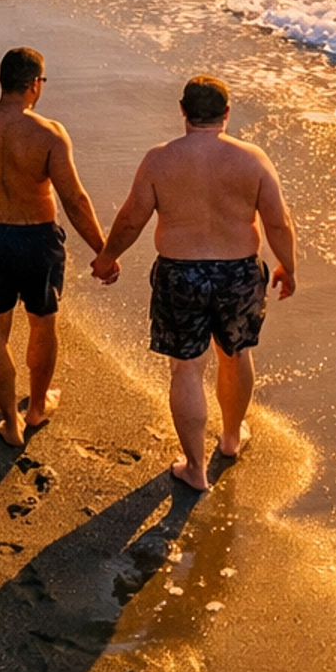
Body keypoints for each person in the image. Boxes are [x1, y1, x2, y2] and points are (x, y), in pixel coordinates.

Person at [92, 74, 296, 492]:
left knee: (186, 368)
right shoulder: (252, 159)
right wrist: (287, 266)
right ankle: (232, 438)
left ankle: (195, 469)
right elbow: (278, 220)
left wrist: (107, 258)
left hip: (180, 271)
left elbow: (132, 218)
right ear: (227, 112)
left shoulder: (160, 159)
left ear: (183, 111)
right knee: (235, 354)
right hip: (238, 272)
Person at [0, 47, 107, 447]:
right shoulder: (48, 133)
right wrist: (103, 250)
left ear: (3, 81)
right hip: (36, 240)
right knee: (42, 322)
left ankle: (10, 424)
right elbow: (75, 200)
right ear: (34, 84)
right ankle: (35, 410)